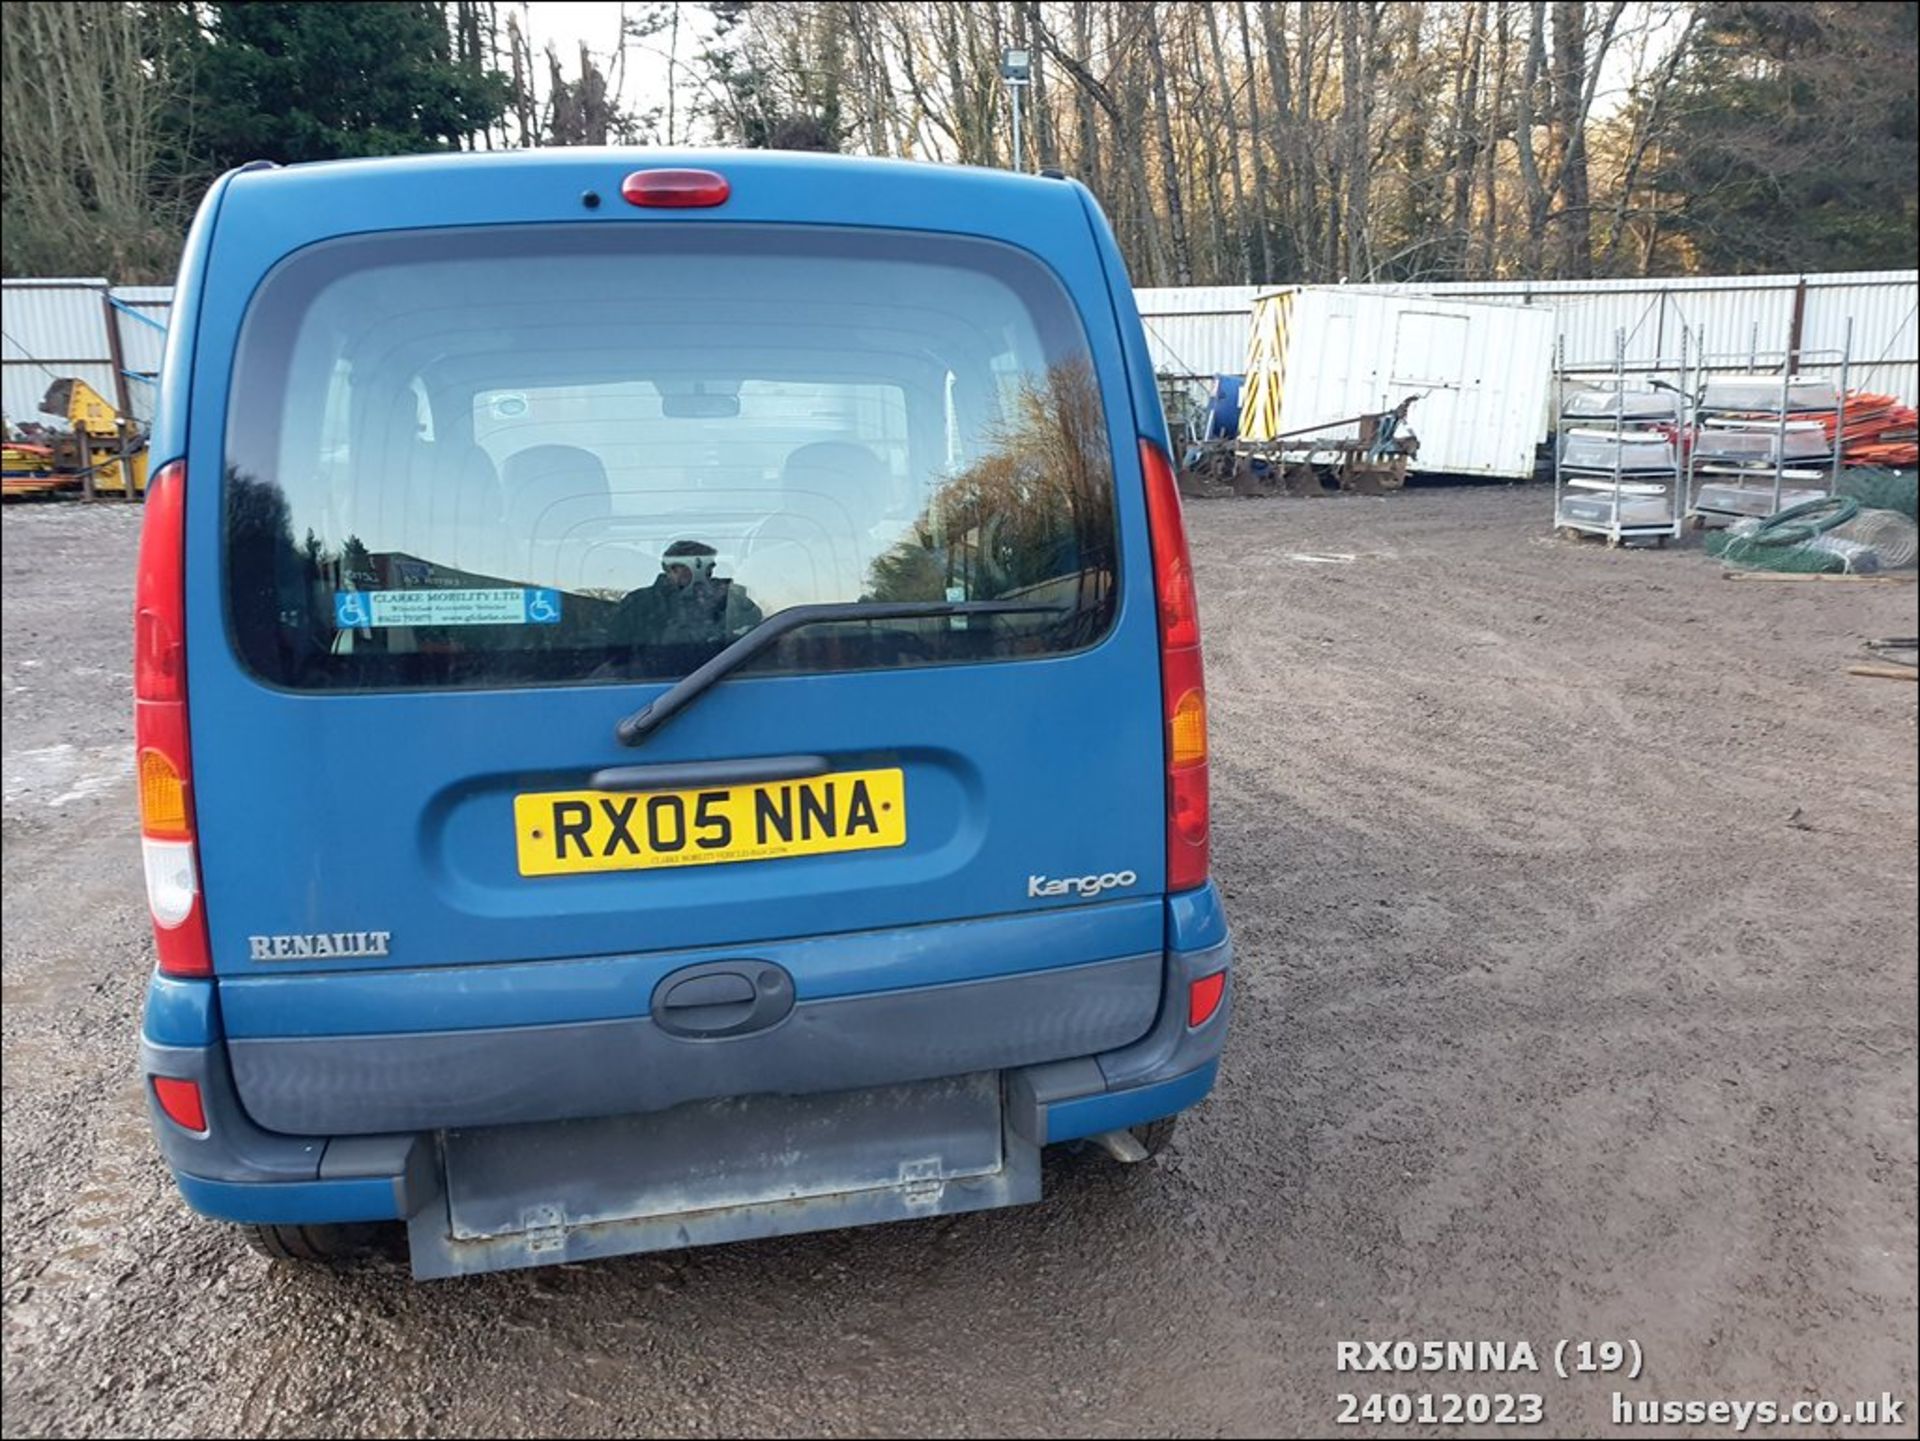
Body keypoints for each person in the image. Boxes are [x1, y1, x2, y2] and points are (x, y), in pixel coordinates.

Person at [610, 539, 764, 649]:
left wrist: (732, 598)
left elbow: (756, 626)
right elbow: (618, 653)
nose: (708, 572)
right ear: (673, 569)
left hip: (724, 673)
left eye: (710, 566)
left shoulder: (728, 596)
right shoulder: (639, 603)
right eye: (698, 566)